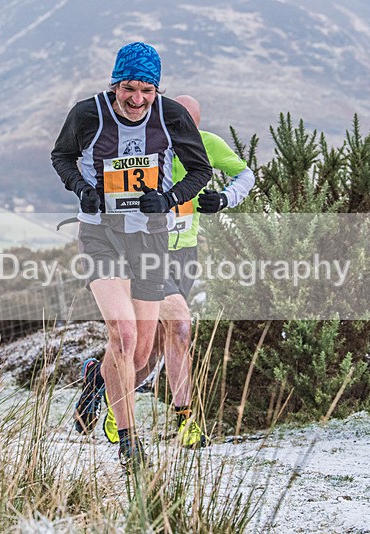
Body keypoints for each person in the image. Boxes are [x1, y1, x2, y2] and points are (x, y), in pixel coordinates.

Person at [51, 43, 212, 468]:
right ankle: (129, 443)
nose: (137, 99)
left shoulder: (172, 116)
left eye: (146, 90)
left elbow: (201, 171)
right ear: (115, 84)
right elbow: (61, 156)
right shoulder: (87, 115)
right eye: (128, 88)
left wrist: (169, 198)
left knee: (140, 355)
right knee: (122, 334)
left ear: (157, 89)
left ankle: (96, 381)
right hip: (102, 235)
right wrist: (81, 188)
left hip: (151, 241)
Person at [73, 95, 255, 449]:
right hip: (147, 250)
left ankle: (101, 378)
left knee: (150, 350)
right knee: (181, 326)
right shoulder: (145, 145)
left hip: (185, 253)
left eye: (187, 126)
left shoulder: (206, 146)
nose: (178, 131)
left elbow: (245, 174)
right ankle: (181, 418)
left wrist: (225, 198)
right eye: (172, 123)